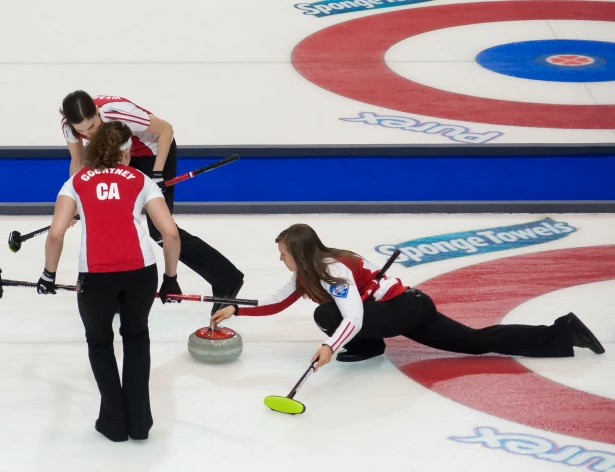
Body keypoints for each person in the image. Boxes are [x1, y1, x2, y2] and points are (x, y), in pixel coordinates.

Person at [210, 223, 606, 372]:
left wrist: (330, 347)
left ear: (299, 252)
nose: (280, 259)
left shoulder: (334, 271)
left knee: (331, 319)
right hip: (403, 306)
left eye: (283, 252)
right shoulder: (307, 271)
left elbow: (352, 318)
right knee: (472, 343)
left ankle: (369, 348)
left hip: (402, 308)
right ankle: (561, 333)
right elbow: (277, 302)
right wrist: (236, 309)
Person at [38, 121, 183, 442]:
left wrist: (49, 274)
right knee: (136, 338)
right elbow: (170, 233)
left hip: (96, 275)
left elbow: (56, 234)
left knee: (100, 342)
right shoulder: (141, 179)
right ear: (128, 152)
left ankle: (114, 420)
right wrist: (171, 279)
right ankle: (140, 422)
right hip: (141, 272)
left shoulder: (76, 182)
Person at [59, 90, 245, 314]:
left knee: (159, 230)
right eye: (82, 130)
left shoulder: (120, 113)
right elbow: (78, 160)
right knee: (112, 213)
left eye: (92, 126)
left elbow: (166, 129)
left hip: (152, 155)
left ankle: (227, 278)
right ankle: (116, 289)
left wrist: (157, 173)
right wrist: (74, 202)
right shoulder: (69, 125)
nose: (89, 133)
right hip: (116, 153)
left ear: (98, 112)